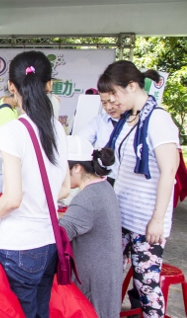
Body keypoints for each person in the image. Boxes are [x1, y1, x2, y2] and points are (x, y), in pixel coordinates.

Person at [0, 51, 70, 318]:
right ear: (50, 85)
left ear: (11, 87)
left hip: (19, 246)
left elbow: (12, 198)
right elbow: (64, 189)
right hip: (49, 242)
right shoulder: (57, 129)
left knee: (18, 312)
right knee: (41, 310)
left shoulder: (13, 131)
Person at [99, 61, 180, 317]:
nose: (111, 102)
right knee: (109, 276)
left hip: (147, 220)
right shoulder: (128, 120)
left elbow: (169, 172)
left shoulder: (158, 120)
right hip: (123, 214)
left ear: (132, 86)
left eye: (114, 95)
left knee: (146, 285)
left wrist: (157, 220)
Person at [59, 136, 121, 318]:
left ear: (76, 168)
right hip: (104, 281)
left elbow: (59, 235)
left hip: (93, 289)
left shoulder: (88, 198)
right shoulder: (102, 186)